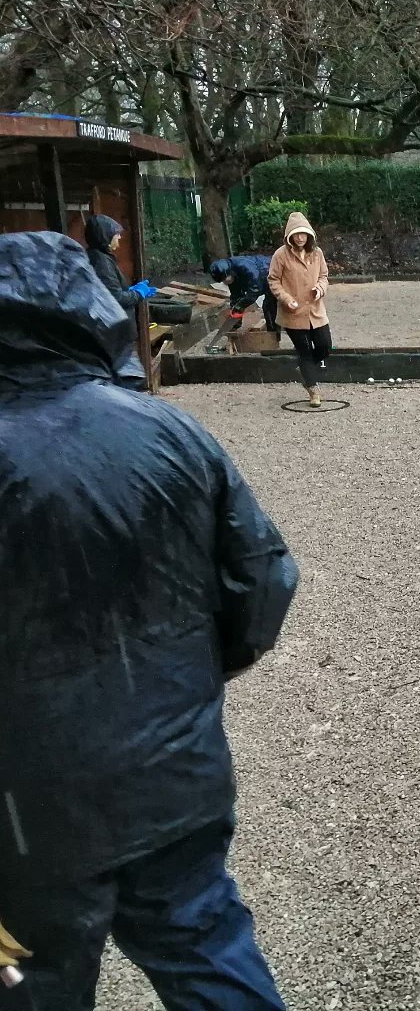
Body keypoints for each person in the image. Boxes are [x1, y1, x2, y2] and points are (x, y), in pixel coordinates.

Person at [0, 231, 298, 1011]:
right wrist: (192, 671)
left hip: (27, 806)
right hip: (176, 771)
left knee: (31, 979)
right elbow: (265, 577)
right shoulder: (171, 432)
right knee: (207, 948)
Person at [269, 211, 332, 408]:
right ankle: (313, 390)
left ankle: (305, 370)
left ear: (309, 234)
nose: (299, 238)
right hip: (293, 314)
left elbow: (324, 276)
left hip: (315, 310)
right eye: (295, 234)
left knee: (324, 345)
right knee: (304, 351)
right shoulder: (280, 255)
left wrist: (320, 289)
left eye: (303, 234)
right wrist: (286, 298)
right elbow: (273, 280)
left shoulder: (317, 253)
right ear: (289, 236)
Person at [85, 213, 140, 328]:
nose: (119, 237)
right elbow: (115, 298)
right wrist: (138, 294)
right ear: (106, 236)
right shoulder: (101, 262)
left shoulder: (98, 256)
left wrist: (129, 290)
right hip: (113, 331)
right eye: (116, 234)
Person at [210, 254, 278, 332]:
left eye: (225, 279)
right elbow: (236, 296)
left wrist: (240, 306)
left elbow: (255, 291)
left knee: (269, 307)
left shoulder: (247, 268)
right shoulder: (233, 275)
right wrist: (235, 318)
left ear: (229, 272)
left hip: (274, 275)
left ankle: (274, 337)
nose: (224, 282)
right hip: (263, 281)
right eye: (222, 281)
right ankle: (272, 335)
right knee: (268, 308)